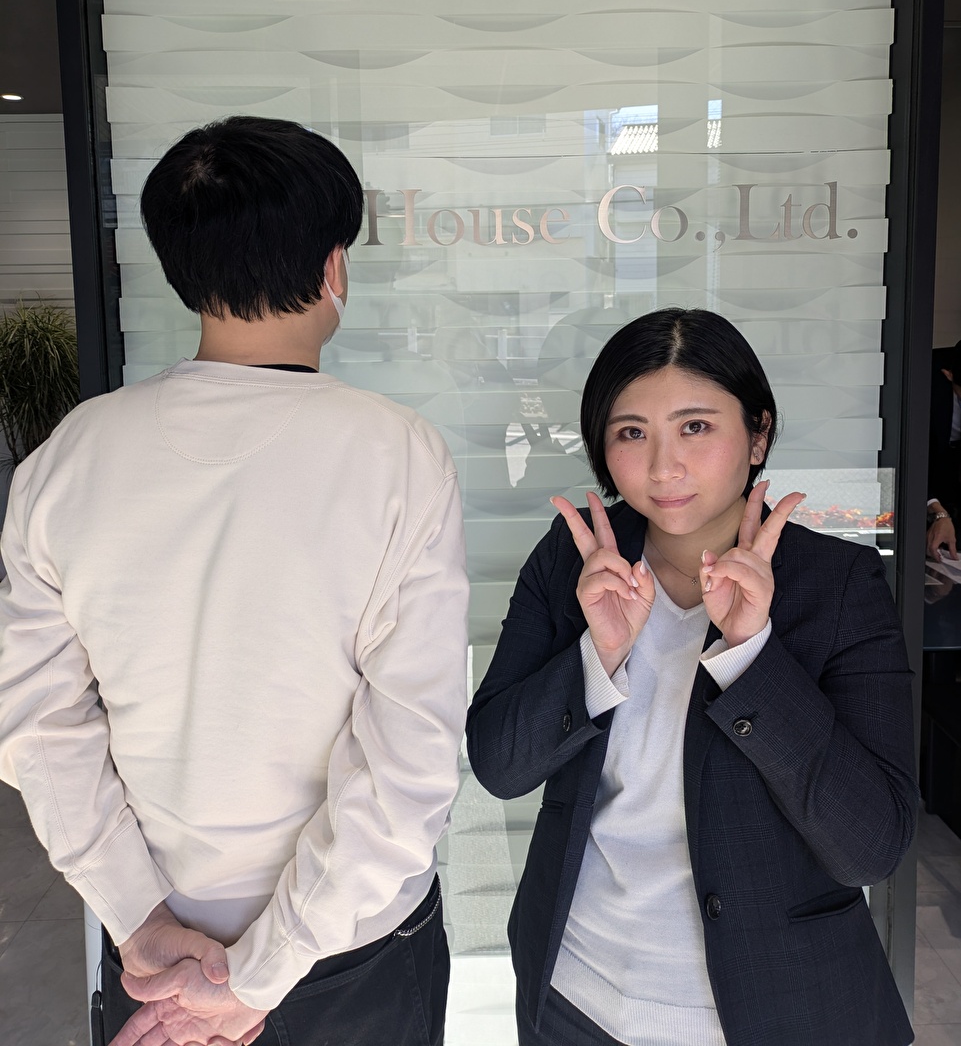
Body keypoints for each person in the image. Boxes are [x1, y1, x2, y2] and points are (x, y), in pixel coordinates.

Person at [0, 116, 469, 1046]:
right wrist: (260, 974)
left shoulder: (72, 455)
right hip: (353, 948)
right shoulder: (395, 453)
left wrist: (137, 918)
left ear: (183, 274)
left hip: (161, 945)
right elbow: (407, 755)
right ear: (334, 268)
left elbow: (35, 722)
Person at [466, 307, 917, 1046]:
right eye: (630, 433)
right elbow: (499, 766)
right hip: (575, 996)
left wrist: (751, 656)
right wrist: (598, 656)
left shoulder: (835, 584)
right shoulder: (576, 561)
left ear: (758, 434)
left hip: (775, 1011)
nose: (662, 467)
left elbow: (871, 846)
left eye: (695, 427)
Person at [927, 342, 961, 560]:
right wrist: (938, 511)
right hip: (931, 460)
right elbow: (910, 458)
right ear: (949, 375)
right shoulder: (925, 380)